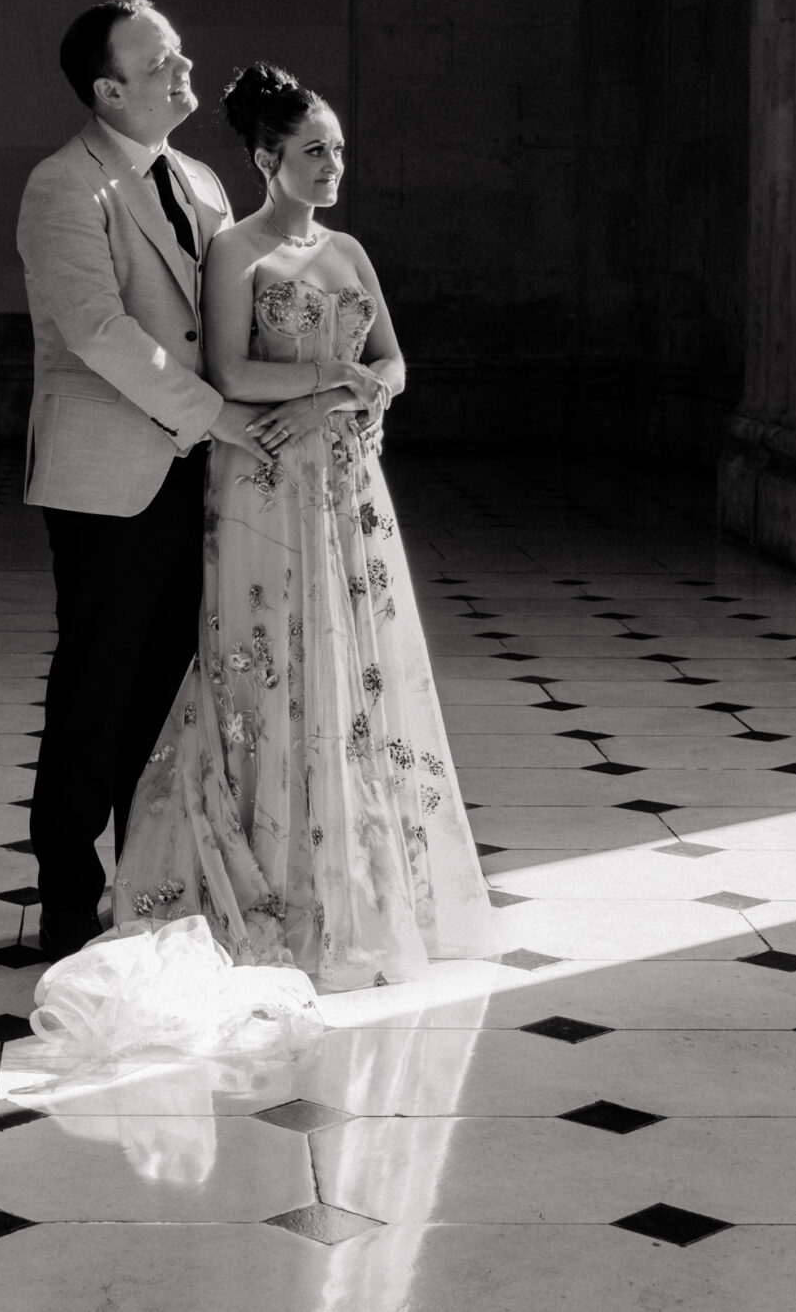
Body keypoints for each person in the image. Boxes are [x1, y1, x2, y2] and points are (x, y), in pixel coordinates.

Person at [112, 62, 495, 991]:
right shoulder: (236, 253)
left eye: (338, 150)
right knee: (273, 655)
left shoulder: (351, 251)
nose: (333, 166)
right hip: (266, 479)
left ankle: (356, 876)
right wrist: (338, 386)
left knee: (355, 661)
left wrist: (363, 389)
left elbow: (394, 361)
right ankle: (270, 876)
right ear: (265, 158)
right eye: (314, 151)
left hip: (350, 485)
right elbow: (236, 375)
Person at [16, 0, 277, 963]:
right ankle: (65, 894)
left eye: (180, 51)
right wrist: (221, 418)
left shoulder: (201, 178)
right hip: (109, 479)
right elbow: (97, 331)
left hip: (198, 475)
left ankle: (148, 881)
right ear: (108, 90)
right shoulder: (62, 186)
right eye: (160, 60)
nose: (183, 67)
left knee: (170, 690)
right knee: (98, 683)